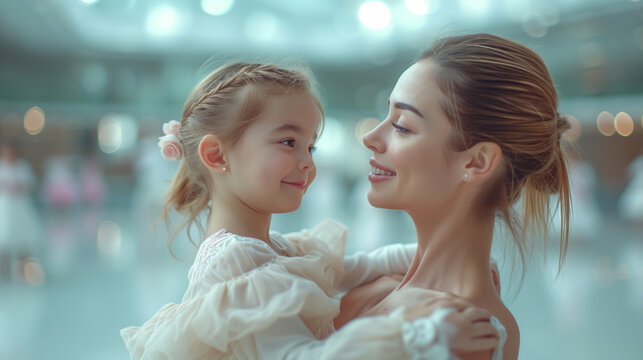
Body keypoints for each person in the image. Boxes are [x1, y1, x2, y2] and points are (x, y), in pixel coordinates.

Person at [120, 62, 500, 359]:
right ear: (217, 155)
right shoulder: (233, 260)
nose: (307, 163)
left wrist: (450, 258)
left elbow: (357, 267)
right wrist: (417, 335)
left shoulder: (275, 249)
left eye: (310, 147)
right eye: (289, 142)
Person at [339, 34, 572, 360]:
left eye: (402, 126)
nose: (371, 137)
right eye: (386, 116)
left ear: (476, 162)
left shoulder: (462, 334)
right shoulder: (386, 283)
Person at [0, 140, 42, 282]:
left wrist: (18, 186)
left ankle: (22, 271)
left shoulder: (22, 166)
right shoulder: (2, 166)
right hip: (5, 207)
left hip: (20, 206)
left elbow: (29, 184)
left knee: (22, 239)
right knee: (4, 240)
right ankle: (4, 273)